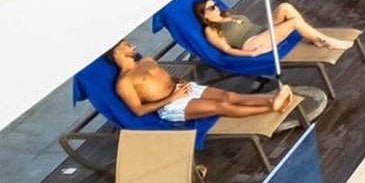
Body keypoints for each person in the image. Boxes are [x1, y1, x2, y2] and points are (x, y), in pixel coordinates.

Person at [107, 41, 296, 124]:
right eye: (124, 44)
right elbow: (138, 111)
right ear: (115, 53)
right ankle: (272, 106)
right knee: (221, 105)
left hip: (184, 89)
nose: (130, 44)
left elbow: (166, 78)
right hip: (172, 105)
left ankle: (272, 100)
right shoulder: (124, 82)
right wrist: (172, 97)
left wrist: (178, 82)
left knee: (229, 96)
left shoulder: (147, 60)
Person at [192, 0, 353, 56]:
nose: (216, 8)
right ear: (204, 14)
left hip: (262, 32)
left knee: (285, 8)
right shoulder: (210, 30)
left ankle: (314, 38)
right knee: (294, 22)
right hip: (252, 43)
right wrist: (251, 54)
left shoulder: (226, 16)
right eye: (211, 8)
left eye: (215, 5)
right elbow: (227, 49)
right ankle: (329, 42)